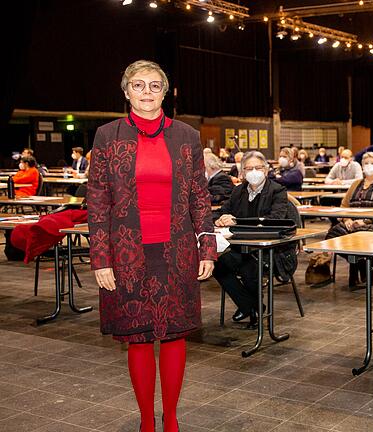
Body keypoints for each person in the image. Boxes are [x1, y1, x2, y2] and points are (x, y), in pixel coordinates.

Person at [87, 60, 216, 432]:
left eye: (154, 85)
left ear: (165, 92)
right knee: (138, 336)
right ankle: (146, 420)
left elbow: (199, 196)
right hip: (126, 253)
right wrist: (100, 258)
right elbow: (97, 201)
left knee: (175, 334)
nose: (147, 92)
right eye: (139, 85)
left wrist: (207, 245)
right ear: (126, 91)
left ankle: (171, 417)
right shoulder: (107, 136)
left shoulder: (187, 136)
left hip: (176, 252)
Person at [213, 151, 299, 325]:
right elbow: (223, 211)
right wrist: (220, 218)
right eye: (249, 168)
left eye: (258, 168)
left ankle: (250, 308)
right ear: (242, 173)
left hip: (272, 250)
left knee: (249, 266)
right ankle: (252, 306)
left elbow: (275, 219)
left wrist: (236, 221)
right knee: (216, 263)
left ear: (266, 170)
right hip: (241, 246)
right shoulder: (238, 191)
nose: (254, 171)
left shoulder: (277, 190)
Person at [325, 152, 373, 285]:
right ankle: (357, 261)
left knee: (359, 235)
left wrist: (364, 221)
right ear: (361, 167)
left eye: (372, 163)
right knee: (332, 234)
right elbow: (344, 205)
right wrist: (347, 220)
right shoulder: (355, 184)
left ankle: (359, 268)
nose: (369, 166)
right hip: (351, 223)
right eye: (366, 163)